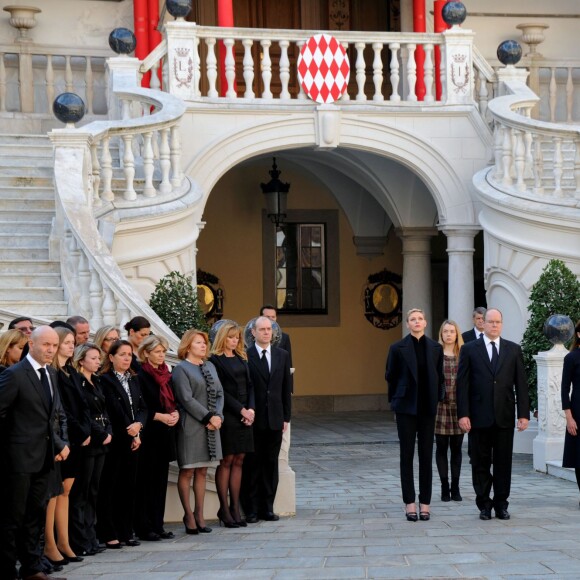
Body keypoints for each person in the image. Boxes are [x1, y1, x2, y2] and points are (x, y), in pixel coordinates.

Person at [0, 326, 70, 580]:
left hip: (44, 459)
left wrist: (59, 443)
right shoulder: (15, 375)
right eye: (46, 345)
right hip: (17, 461)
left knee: (35, 516)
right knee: (11, 519)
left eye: (54, 345)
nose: (51, 350)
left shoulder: (51, 374)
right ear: (31, 343)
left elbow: (51, 416)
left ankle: (32, 568)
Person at [457, 307, 530, 521]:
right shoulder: (470, 349)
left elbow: (521, 384)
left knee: (503, 462)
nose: (494, 325)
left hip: (504, 416)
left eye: (498, 322)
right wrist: (463, 414)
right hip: (478, 417)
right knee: (480, 462)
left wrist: (523, 413)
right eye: (490, 322)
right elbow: (462, 384)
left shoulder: (513, 350)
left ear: (502, 324)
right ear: (483, 323)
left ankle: (501, 504)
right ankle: (484, 504)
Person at [386, 308, 444, 522]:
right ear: (408, 324)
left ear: (425, 323)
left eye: (420, 318)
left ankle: (425, 503)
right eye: (413, 319)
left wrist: (437, 398)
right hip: (406, 408)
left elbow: (440, 377)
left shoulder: (435, 348)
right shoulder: (397, 348)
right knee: (407, 455)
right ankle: (409, 502)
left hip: (428, 409)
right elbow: (390, 376)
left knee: (426, 456)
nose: (417, 322)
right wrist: (395, 402)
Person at [44, 327, 91, 567]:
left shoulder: (71, 371)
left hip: (77, 440)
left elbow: (81, 406)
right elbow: (60, 411)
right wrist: (79, 432)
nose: (71, 346)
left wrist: (86, 431)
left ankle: (64, 542)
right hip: (63, 440)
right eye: (67, 342)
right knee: (55, 494)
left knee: (66, 493)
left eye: (73, 342)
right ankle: (50, 545)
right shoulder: (51, 373)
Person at [173, 329, 224, 535]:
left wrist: (218, 416)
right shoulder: (181, 369)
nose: (203, 346)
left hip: (212, 425)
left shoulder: (210, 366)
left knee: (203, 470)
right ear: (188, 346)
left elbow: (220, 393)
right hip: (192, 426)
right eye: (198, 343)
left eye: (204, 342)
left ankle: (200, 514)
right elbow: (186, 399)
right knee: (188, 470)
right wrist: (208, 417)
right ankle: (188, 515)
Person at [97, 340, 147, 548]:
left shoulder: (134, 379)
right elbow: (114, 410)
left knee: (129, 486)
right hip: (117, 439)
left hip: (133, 439)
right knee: (111, 487)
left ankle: (126, 531)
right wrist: (131, 429)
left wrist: (139, 427)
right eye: (122, 354)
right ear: (111, 357)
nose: (127, 358)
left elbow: (143, 407)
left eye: (129, 354)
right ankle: (109, 533)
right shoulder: (104, 380)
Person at [241, 316, 292, 523]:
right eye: (261, 329)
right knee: (253, 464)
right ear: (253, 332)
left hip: (275, 418)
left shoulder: (282, 355)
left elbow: (285, 388)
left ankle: (267, 508)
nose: (266, 332)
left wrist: (286, 417)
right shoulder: (246, 355)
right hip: (254, 419)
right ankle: (251, 510)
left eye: (269, 329)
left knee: (271, 465)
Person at [209, 321, 255, 528]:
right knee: (227, 460)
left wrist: (251, 410)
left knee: (240, 460)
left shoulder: (242, 358)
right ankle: (224, 508)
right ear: (222, 338)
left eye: (236, 337)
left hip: (246, 415)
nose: (234, 340)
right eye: (230, 337)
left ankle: (236, 507)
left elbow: (251, 386)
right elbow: (221, 392)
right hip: (228, 414)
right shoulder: (215, 361)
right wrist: (241, 410)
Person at [135, 335, 179, 541]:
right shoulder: (140, 374)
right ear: (146, 353)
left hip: (164, 435)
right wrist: (158, 416)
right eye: (158, 352)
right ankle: (145, 527)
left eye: (163, 351)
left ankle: (158, 524)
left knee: (160, 482)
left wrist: (175, 413)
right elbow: (139, 405)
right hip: (149, 434)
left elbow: (173, 400)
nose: (162, 355)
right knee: (146, 482)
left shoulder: (166, 373)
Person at [69, 343, 112, 557]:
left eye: (98, 358)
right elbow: (82, 414)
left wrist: (109, 431)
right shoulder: (76, 382)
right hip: (88, 441)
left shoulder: (97, 381)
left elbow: (105, 410)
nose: (98, 362)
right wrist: (101, 434)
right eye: (93, 358)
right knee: (81, 492)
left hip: (102, 440)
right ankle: (80, 539)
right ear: (81, 360)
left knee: (94, 490)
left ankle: (91, 536)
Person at [435, 320, 465, 503]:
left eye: (452, 331)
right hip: (441, 407)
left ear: (456, 334)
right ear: (441, 334)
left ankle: (456, 486)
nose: (448, 334)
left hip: (458, 407)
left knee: (457, 449)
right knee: (441, 448)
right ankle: (444, 486)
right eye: (445, 331)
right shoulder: (436, 354)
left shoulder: (463, 354)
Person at [561, 320, 580, 505]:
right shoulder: (571, 358)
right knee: (579, 458)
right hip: (578, 412)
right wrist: (569, 418)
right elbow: (564, 388)